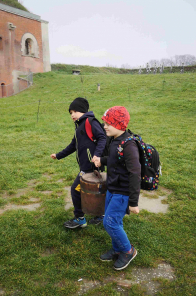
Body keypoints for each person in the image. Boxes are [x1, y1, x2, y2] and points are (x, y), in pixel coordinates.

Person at [92, 106, 140, 271]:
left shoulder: (129, 145)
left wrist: (133, 202)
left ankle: (128, 251)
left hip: (123, 192)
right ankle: (118, 248)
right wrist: (101, 161)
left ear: (120, 124)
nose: (105, 126)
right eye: (105, 122)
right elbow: (114, 159)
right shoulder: (114, 140)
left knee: (110, 222)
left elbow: (135, 173)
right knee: (114, 221)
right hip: (112, 188)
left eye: (108, 123)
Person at [50, 97, 106, 229]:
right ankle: (100, 215)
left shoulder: (90, 122)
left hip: (91, 167)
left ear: (82, 111)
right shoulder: (79, 127)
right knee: (95, 190)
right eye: (70, 113)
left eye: (74, 111)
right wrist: (58, 155)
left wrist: (97, 155)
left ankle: (80, 219)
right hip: (87, 167)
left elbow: (102, 137)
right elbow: (72, 146)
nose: (72, 115)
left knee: (76, 190)